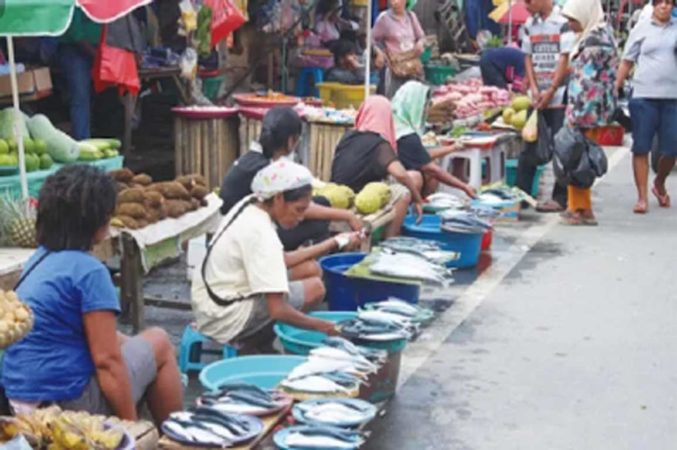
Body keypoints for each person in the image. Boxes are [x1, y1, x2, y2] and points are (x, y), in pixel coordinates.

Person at [1, 165, 183, 425]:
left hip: (20, 402)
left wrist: (132, 346)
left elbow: (101, 337)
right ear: (97, 221)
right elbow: (107, 363)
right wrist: (130, 431)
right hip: (67, 406)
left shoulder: (37, 260)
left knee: (136, 344)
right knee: (161, 342)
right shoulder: (88, 271)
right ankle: (175, 438)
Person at [193, 161, 357, 354]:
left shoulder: (251, 203)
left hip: (208, 300)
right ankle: (252, 343)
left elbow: (282, 260)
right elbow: (277, 309)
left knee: (310, 269)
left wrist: (334, 242)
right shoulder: (262, 233)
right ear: (279, 198)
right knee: (315, 288)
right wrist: (323, 326)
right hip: (226, 317)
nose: (302, 217)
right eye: (298, 209)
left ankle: (264, 340)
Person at [220, 107, 363, 252]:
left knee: (322, 203)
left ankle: (311, 250)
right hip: (242, 233)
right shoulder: (266, 170)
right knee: (317, 225)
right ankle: (314, 251)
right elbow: (300, 208)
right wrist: (347, 216)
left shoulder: (255, 158)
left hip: (242, 223)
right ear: (291, 141)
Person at [559, 0, 618, 225]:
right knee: (583, 159)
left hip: (584, 111)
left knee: (575, 158)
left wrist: (574, 116)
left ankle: (578, 209)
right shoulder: (603, 34)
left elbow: (586, 83)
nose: (571, 25)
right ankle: (582, 208)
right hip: (596, 111)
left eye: (573, 20)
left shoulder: (593, 42)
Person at [331, 95, 424, 238]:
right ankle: (389, 239)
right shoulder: (379, 145)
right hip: (358, 198)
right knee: (403, 192)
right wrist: (418, 199)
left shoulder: (348, 136)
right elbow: (401, 174)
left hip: (339, 193)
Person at [616, 0, 677, 213]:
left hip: (672, 98)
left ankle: (659, 182)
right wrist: (616, 86)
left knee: (671, 148)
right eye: (661, 2)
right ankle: (641, 197)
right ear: (654, 5)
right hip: (643, 96)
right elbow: (627, 61)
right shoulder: (640, 29)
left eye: (670, 3)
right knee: (641, 146)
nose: (665, 7)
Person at [518, 0, 576, 212]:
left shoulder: (563, 23)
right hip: (536, 95)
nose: (526, 4)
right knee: (529, 146)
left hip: (559, 96)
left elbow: (564, 59)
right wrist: (534, 88)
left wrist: (551, 89)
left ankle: (559, 198)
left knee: (561, 147)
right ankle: (522, 195)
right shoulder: (528, 25)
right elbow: (528, 57)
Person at [391, 80, 477, 199]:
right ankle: (414, 206)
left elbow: (420, 155)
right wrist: (464, 186)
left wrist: (451, 148)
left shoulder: (394, 121)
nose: (426, 110)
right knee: (418, 176)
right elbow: (431, 168)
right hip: (387, 182)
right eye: (424, 105)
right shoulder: (405, 135)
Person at [57, 8, 101, 140]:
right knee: (80, 96)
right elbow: (75, 34)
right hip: (73, 49)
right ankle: (83, 141)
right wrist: (97, 56)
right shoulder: (76, 4)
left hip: (99, 48)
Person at [371, 0, 426, 98]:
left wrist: (420, 44)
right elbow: (371, 39)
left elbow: (421, 37)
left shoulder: (411, 16)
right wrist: (378, 52)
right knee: (395, 100)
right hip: (394, 70)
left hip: (412, 68)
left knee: (412, 99)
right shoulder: (384, 18)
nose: (394, 2)